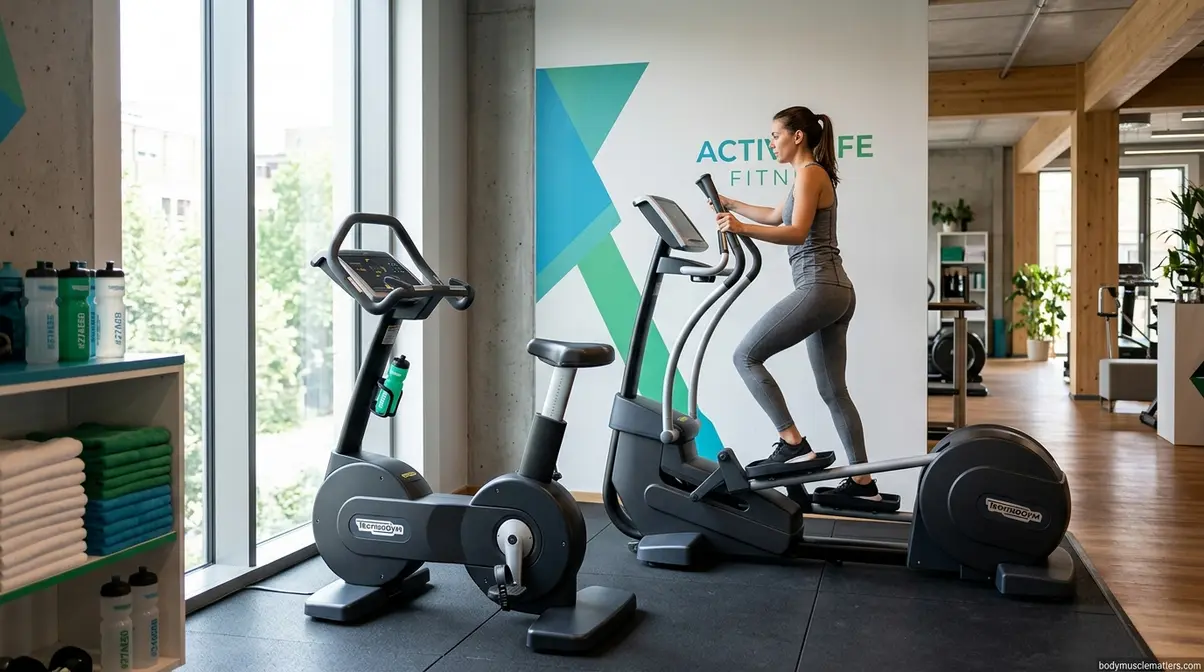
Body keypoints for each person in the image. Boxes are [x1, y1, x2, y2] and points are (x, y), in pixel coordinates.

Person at [710, 106, 880, 504]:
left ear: (797, 136)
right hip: (835, 290)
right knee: (834, 392)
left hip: (820, 287)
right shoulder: (805, 178)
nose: (772, 142)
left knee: (745, 356)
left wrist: (740, 227)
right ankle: (864, 486)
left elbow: (795, 231)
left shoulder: (810, 174)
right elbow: (776, 215)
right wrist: (730, 203)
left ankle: (792, 443)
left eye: (775, 135)